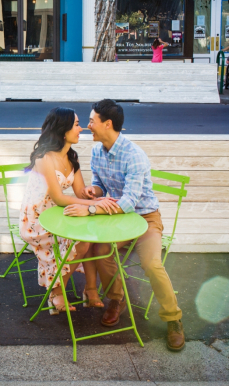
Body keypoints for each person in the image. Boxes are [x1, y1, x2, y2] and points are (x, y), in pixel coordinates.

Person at [63, 99, 185, 352]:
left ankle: (173, 318)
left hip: (145, 218)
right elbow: (101, 185)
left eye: (92, 121)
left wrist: (91, 209)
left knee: (152, 263)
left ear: (107, 124)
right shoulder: (97, 151)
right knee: (99, 250)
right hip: (115, 217)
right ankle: (115, 300)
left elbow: (130, 201)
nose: (87, 126)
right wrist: (92, 190)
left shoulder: (135, 155)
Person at [19, 107, 121, 313]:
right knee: (81, 240)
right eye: (76, 124)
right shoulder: (44, 158)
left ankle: (87, 290)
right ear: (62, 129)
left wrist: (96, 197)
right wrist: (95, 205)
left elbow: (80, 193)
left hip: (58, 212)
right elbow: (58, 197)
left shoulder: (71, 157)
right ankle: (57, 292)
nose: (81, 128)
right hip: (37, 219)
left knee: (90, 233)